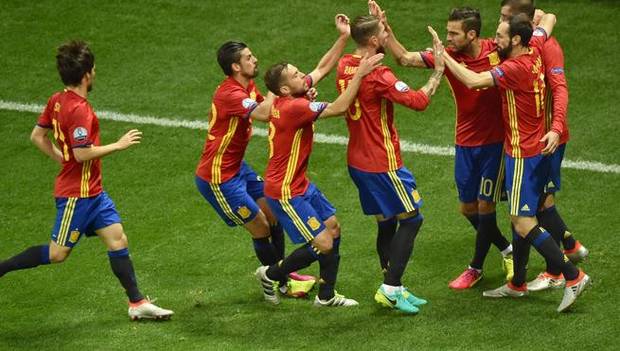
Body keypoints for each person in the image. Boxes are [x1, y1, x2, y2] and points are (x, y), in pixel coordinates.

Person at [0, 40, 173, 320]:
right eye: (93, 69)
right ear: (86, 75)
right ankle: (2, 267)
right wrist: (118, 145)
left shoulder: (56, 100)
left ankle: (137, 303)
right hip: (75, 196)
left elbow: (37, 137)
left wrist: (61, 158)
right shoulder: (79, 109)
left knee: (118, 240)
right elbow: (81, 154)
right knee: (58, 254)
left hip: (94, 193)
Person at [436, 11, 590, 312]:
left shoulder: (516, 66)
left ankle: (573, 275)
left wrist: (444, 56)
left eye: (501, 36)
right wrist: (542, 16)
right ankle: (518, 283)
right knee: (519, 217)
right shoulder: (534, 48)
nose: (495, 41)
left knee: (522, 221)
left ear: (516, 40)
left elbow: (473, 80)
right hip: (536, 149)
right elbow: (549, 21)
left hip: (522, 153)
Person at [368, 1, 513, 290]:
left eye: (454, 33)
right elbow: (405, 59)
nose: (447, 39)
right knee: (467, 208)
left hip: (495, 143)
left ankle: (475, 267)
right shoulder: (444, 54)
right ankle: (508, 250)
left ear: (471, 35)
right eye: (447, 33)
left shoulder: (495, 50)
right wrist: (386, 28)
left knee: (486, 207)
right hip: (465, 141)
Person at [255, 14, 384, 307]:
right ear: (285, 89)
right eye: (297, 76)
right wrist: (359, 75)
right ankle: (271, 274)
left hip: (299, 183)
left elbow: (323, 68)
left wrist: (342, 37)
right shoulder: (294, 107)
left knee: (333, 227)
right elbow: (340, 107)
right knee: (323, 242)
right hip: (285, 190)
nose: (304, 76)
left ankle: (326, 296)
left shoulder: (285, 98)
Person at [335, 13, 444, 314]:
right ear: (372, 41)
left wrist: (381, 23)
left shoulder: (346, 65)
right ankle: (391, 288)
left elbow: (376, 50)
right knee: (412, 218)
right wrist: (438, 70)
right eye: (383, 32)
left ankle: (392, 285)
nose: (387, 35)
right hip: (382, 163)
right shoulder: (380, 77)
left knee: (387, 222)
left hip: (357, 160)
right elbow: (419, 101)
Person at [195, 41, 316, 298]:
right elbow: (264, 113)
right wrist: (277, 88)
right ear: (236, 66)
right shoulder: (230, 94)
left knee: (273, 212)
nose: (255, 60)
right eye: (249, 58)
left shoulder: (247, 86)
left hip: (238, 168)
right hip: (219, 178)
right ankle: (279, 283)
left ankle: (282, 273)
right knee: (260, 227)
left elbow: (274, 109)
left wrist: (296, 96)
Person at [499, 0, 588, 292]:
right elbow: (550, 15)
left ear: (517, 27)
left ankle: (560, 269)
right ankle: (565, 251)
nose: (498, 23)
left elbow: (560, 89)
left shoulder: (544, 48)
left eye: (504, 18)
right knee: (528, 208)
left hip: (545, 140)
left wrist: (555, 127)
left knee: (537, 206)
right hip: (534, 139)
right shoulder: (532, 40)